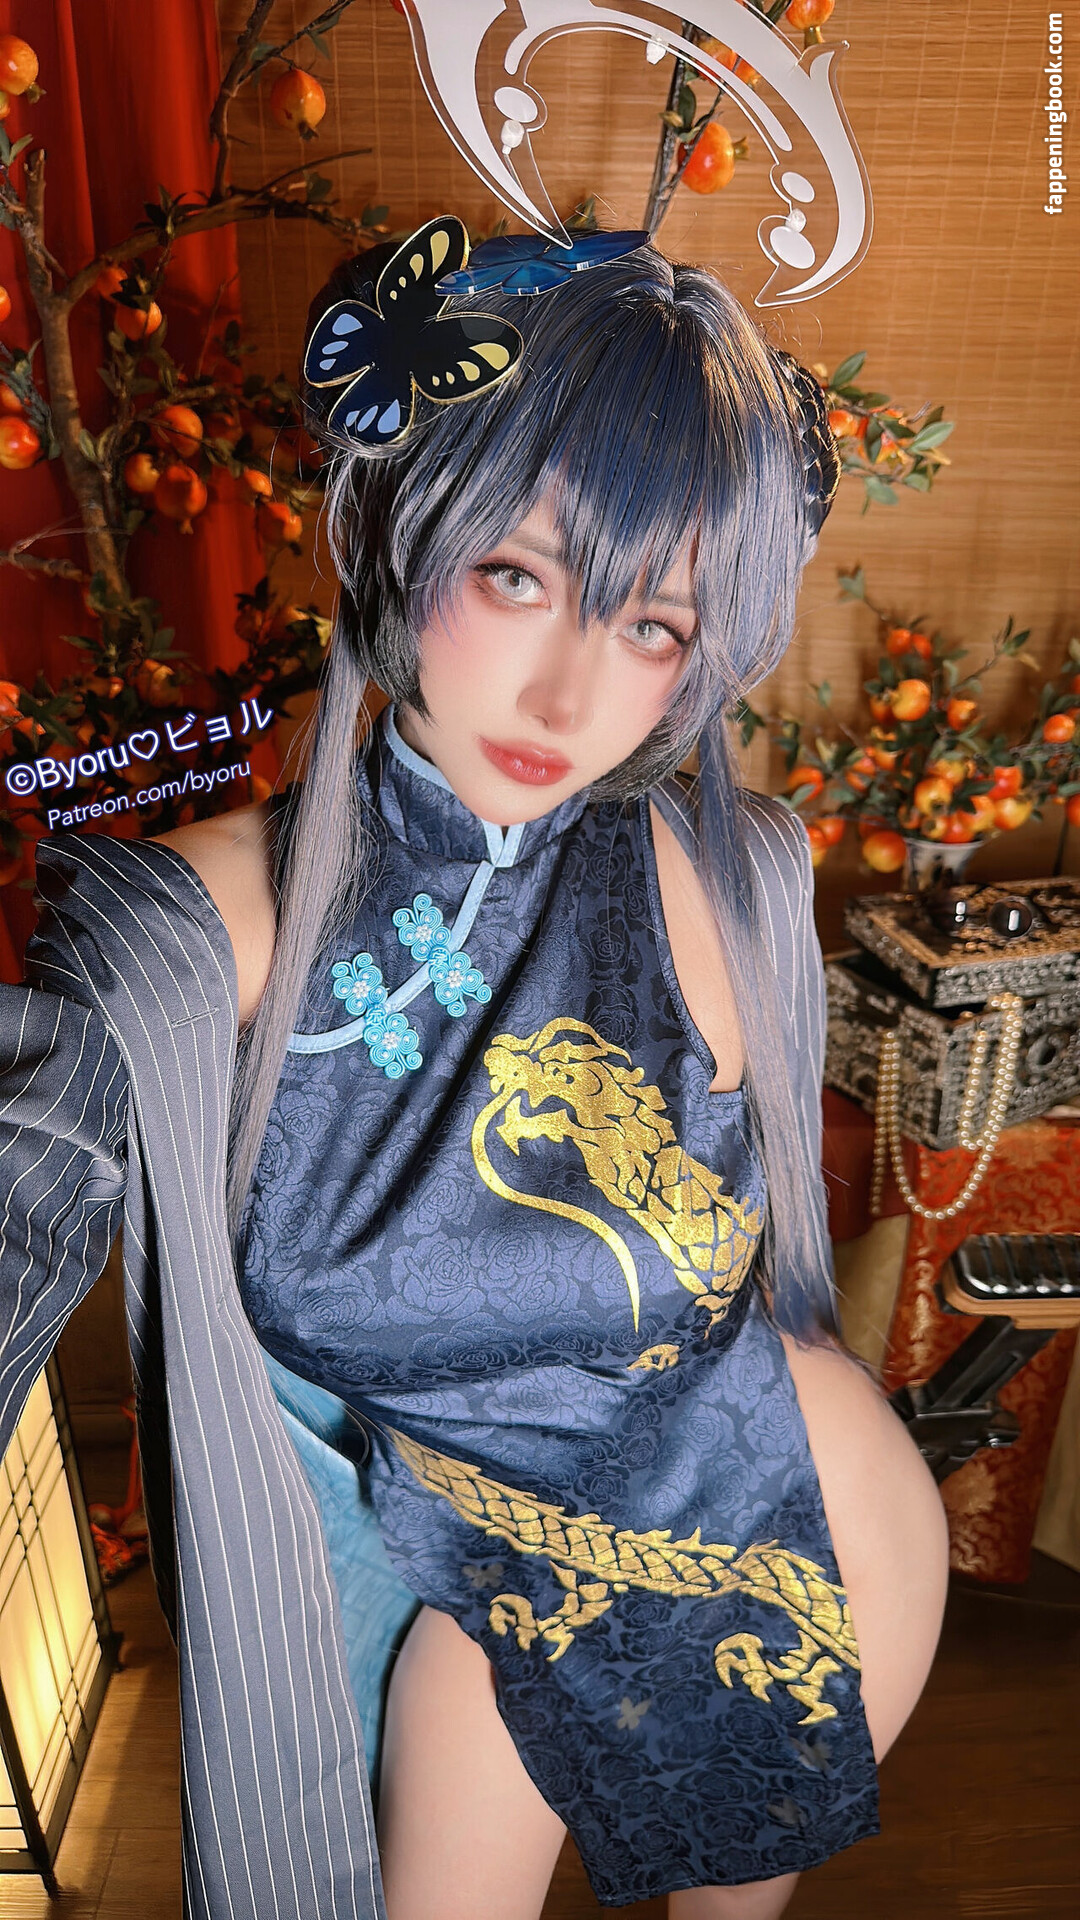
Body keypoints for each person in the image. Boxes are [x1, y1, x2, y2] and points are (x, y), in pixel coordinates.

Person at [1, 217, 948, 1920]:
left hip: (807, 1518)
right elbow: (28, 1178)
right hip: (459, 1608)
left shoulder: (720, 876)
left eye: (653, 625)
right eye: (516, 575)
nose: (571, 692)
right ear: (397, 522)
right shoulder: (208, 928)